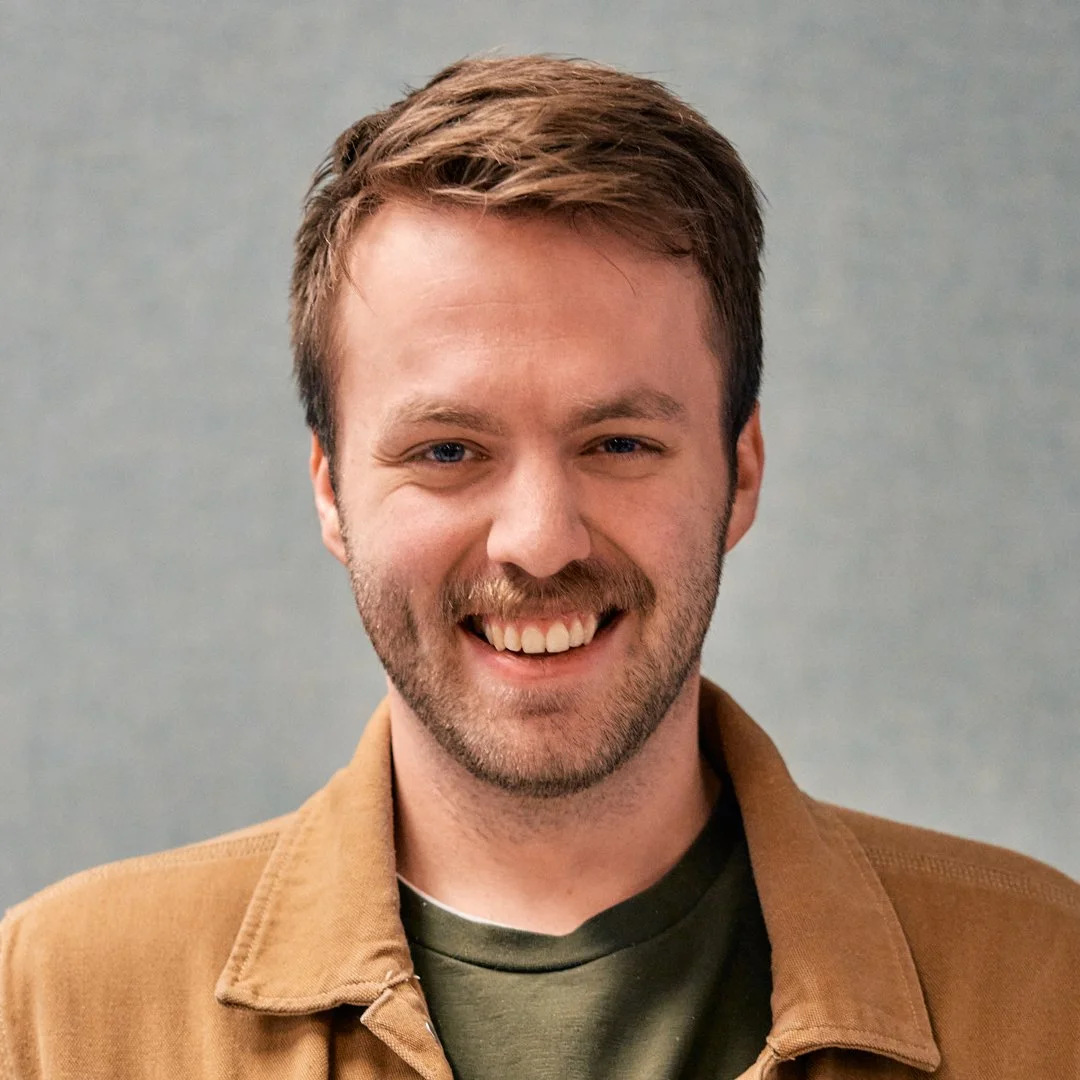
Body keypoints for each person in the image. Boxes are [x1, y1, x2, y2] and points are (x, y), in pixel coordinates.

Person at [2, 54, 1078, 1080]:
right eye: (448, 452)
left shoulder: (1045, 988)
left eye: (618, 444)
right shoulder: (58, 1009)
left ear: (739, 473)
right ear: (332, 490)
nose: (540, 539)